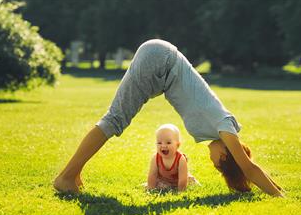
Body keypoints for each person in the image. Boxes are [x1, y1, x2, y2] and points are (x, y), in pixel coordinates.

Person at [53, 39, 284, 197]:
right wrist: (279, 195)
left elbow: (250, 169)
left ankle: (73, 173)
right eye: (217, 164)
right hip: (161, 61)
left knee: (115, 119)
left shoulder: (221, 128)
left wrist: (273, 185)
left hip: (162, 68)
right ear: (226, 154)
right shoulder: (225, 128)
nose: (212, 161)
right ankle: (66, 177)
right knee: (115, 119)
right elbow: (250, 168)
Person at [146, 123, 199, 191]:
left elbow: (183, 179)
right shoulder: (155, 158)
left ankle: (176, 187)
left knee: (189, 182)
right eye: (159, 143)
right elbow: (152, 175)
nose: (163, 146)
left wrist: (180, 191)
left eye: (168, 143)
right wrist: (150, 188)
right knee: (159, 185)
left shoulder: (180, 159)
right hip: (164, 180)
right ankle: (167, 186)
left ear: (177, 145)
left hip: (180, 180)